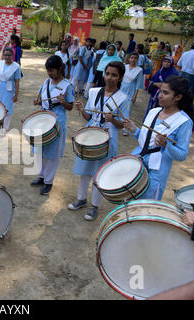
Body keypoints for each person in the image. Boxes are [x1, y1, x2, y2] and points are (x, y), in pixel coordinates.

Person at [70, 61, 129, 221]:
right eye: (107, 74)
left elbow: (122, 124)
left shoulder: (123, 98)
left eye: (114, 75)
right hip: (90, 134)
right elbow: (89, 116)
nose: (109, 78)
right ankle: (81, 199)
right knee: (85, 170)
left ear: (120, 78)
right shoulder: (94, 91)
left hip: (107, 138)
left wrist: (113, 120)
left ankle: (94, 205)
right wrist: (82, 110)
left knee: (99, 173)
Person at [123, 76, 194, 200]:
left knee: (146, 207)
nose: (160, 95)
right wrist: (134, 129)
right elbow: (147, 140)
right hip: (139, 160)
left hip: (156, 172)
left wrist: (166, 145)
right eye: (161, 91)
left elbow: (182, 155)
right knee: (129, 201)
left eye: (165, 93)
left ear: (178, 97)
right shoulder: (154, 111)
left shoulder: (183, 121)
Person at [30, 55, 74, 195]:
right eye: (48, 70)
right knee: (41, 150)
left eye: (52, 70)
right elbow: (40, 98)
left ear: (60, 68)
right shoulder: (46, 82)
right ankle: (42, 177)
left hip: (57, 122)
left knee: (52, 153)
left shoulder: (68, 85)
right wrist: (37, 101)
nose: (50, 73)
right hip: (43, 119)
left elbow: (70, 107)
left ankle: (49, 181)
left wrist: (63, 102)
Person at [0, 47, 22, 135]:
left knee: (7, 108)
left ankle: (5, 127)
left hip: (9, 89)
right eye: (5, 55)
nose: (7, 57)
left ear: (12, 55)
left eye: (9, 55)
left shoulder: (16, 67)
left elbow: (17, 82)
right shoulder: (0, 63)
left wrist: (16, 95)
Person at [120, 52, 144, 135]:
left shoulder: (139, 70)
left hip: (130, 91)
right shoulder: (124, 67)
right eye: (132, 57)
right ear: (129, 58)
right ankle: (115, 124)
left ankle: (126, 128)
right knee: (117, 106)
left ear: (137, 59)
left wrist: (135, 96)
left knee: (127, 109)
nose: (133, 60)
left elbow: (138, 84)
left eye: (135, 58)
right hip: (121, 89)